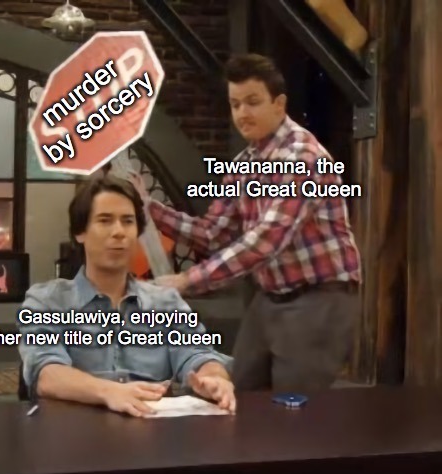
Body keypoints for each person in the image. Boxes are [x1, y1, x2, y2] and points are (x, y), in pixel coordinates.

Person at [132, 53, 361, 392]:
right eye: (235, 104)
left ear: (279, 105)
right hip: (270, 296)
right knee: (238, 391)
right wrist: (148, 207)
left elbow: (267, 239)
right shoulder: (245, 163)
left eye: (252, 102)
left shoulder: (303, 156)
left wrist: (185, 280)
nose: (242, 113)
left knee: (292, 408)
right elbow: (211, 233)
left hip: (318, 298)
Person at [18, 175, 235, 417]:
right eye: (105, 220)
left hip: (150, 429)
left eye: (128, 221)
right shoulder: (47, 301)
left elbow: (197, 354)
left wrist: (213, 377)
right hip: (75, 430)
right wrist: (109, 392)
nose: (119, 232)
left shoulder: (166, 302)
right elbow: (45, 373)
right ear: (80, 233)